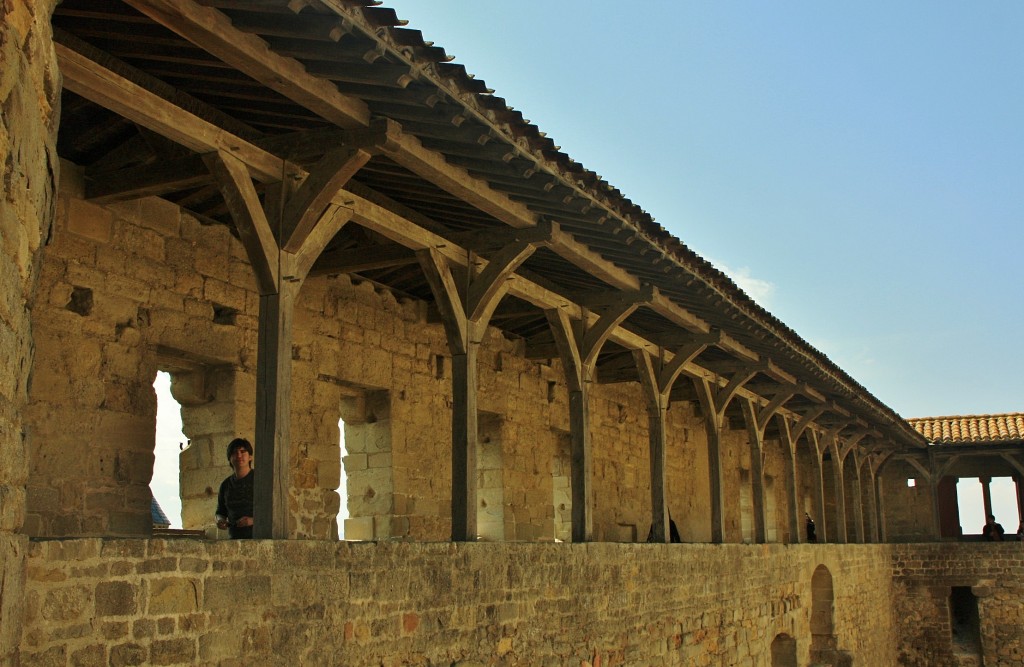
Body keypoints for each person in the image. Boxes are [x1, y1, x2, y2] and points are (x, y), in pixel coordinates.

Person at [216, 437, 255, 539]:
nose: (239, 455)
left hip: (258, 539)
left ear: (250, 457)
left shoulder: (260, 481)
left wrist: (252, 520)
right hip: (234, 540)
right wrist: (220, 521)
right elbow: (220, 512)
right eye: (234, 452)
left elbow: (271, 512)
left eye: (243, 452)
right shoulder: (225, 485)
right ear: (229, 458)